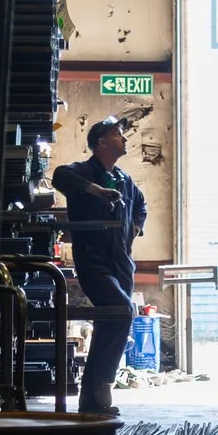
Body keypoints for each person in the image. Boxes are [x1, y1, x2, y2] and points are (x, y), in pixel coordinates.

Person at [52, 116, 148, 416]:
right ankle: (103, 382)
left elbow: (141, 206)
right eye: (118, 134)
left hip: (122, 264)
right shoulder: (82, 172)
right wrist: (96, 190)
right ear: (101, 142)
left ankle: (90, 403)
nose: (125, 138)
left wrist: (134, 228)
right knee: (121, 311)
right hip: (94, 262)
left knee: (110, 324)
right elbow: (59, 177)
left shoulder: (125, 180)